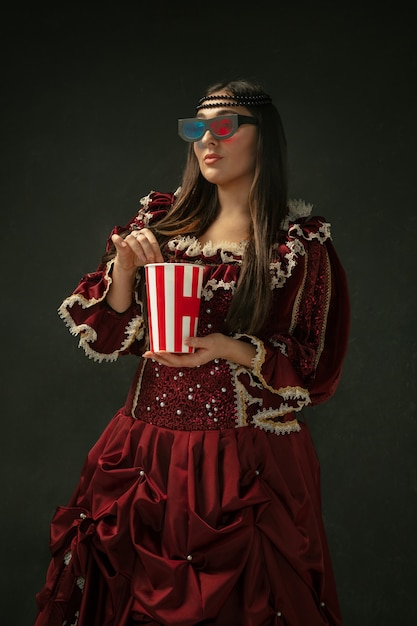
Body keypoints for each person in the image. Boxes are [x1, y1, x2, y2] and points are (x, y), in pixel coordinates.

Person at [34, 78, 350, 626]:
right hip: (144, 453)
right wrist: (127, 273)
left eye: (225, 126)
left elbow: (315, 368)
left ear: (263, 138)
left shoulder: (295, 245)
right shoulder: (159, 226)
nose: (208, 140)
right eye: (197, 128)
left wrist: (229, 347)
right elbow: (110, 335)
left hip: (248, 463)